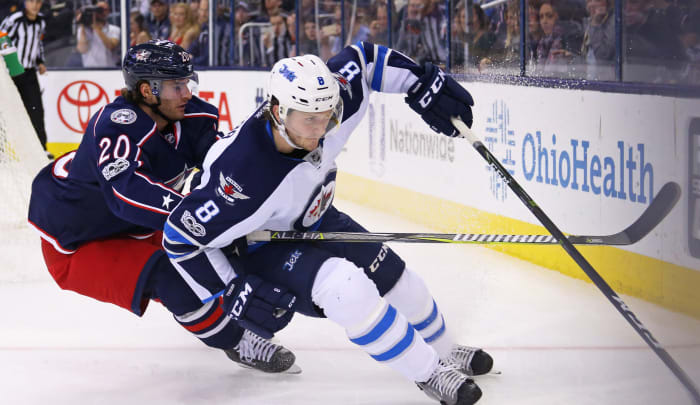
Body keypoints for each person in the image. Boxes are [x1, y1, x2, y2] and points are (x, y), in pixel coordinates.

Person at [163, 44, 494, 404]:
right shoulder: (240, 177)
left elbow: (366, 58)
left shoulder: (325, 101)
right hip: (260, 247)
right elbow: (179, 237)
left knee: (396, 277)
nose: (321, 129)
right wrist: (230, 289)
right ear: (278, 111)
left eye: (328, 116)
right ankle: (430, 373)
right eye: (310, 120)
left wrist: (420, 81)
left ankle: (446, 349)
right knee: (347, 289)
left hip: (314, 214)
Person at [27, 40, 298, 374]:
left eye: (187, 82)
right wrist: (195, 215)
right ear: (147, 91)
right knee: (168, 276)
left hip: (136, 225)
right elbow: (127, 193)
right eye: (176, 85)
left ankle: (224, 312)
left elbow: (224, 165)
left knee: (223, 248)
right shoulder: (116, 126)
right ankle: (236, 341)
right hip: (78, 241)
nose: (187, 93)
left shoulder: (191, 117)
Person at [0, 0, 50, 158]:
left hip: (29, 73)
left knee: (36, 110)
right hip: (11, 74)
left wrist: (40, 61)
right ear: (25, 2)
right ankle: (3, 149)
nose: (35, 5)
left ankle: (41, 148)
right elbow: (2, 38)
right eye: (32, 1)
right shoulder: (14, 20)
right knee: (6, 111)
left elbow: (38, 43)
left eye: (39, 2)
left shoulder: (41, 21)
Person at [75, 1, 120, 67]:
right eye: (100, 9)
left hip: (110, 71)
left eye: (105, 10)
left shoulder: (114, 29)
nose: (102, 12)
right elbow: (83, 50)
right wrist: (82, 22)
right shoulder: (83, 30)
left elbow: (111, 46)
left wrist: (96, 27)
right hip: (90, 70)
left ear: (109, 12)